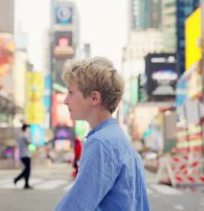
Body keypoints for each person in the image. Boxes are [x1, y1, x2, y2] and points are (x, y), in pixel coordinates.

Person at [56, 57, 149, 210]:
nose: (66, 100)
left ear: (94, 98)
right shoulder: (120, 140)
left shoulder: (101, 143)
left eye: (71, 92)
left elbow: (76, 205)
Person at [13, 123, 32, 189]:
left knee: (26, 170)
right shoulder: (25, 136)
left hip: (22, 155)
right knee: (27, 170)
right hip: (26, 155)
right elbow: (30, 142)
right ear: (26, 129)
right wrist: (29, 133)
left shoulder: (20, 136)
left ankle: (25, 183)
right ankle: (18, 179)